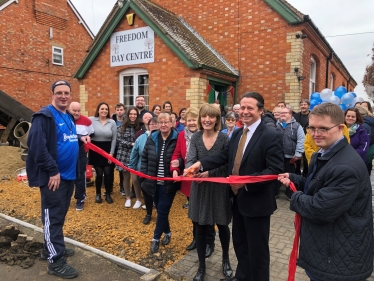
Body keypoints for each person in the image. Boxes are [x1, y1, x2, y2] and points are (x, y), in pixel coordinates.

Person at [187, 92, 284, 281]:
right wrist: (201, 164)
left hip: (256, 202)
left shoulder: (271, 135)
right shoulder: (239, 132)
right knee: (240, 243)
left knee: (257, 250)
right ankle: (241, 276)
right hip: (237, 199)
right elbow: (225, 156)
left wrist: (245, 181)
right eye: (242, 108)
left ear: (261, 111)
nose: (245, 112)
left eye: (250, 108)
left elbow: (275, 170)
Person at [278, 102, 373, 281]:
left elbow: (319, 208)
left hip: (337, 258)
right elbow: (320, 185)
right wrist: (295, 179)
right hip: (327, 247)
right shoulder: (323, 153)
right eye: (311, 128)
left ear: (340, 128)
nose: (315, 134)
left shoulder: (346, 166)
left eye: (323, 128)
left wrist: (295, 197)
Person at [26, 80, 90, 279]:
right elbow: (37, 147)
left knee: (59, 215)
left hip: (68, 176)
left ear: (70, 96)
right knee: (52, 218)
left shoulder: (68, 115)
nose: (63, 96)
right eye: (59, 92)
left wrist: (80, 140)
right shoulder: (44, 117)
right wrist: (53, 171)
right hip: (54, 178)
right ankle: (55, 261)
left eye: (66, 93)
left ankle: (51, 248)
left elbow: (66, 138)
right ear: (52, 94)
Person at [185, 104, 233, 281]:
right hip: (199, 187)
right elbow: (190, 158)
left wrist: (209, 173)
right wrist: (191, 172)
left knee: (222, 225)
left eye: (211, 117)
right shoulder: (196, 137)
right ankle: (201, 267)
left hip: (218, 187)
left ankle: (226, 260)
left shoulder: (224, 139)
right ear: (200, 119)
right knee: (199, 225)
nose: (207, 120)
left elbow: (227, 164)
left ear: (217, 120)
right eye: (204, 116)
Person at [170, 108, 216, 256]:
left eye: (194, 120)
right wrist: (175, 168)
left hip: (205, 178)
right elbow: (177, 154)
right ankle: (197, 238)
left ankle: (210, 241)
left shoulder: (206, 135)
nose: (191, 123)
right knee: (194, 212)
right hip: (190, 181)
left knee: (207, 212)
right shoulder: (182, 135)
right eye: (188, 120)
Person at [139, 113, 180, 254]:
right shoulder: (153, 137)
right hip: (153, 181)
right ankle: (167, 232)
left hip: (169, 183)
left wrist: (179, 165)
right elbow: (144, 157)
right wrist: (144, 176)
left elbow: (182, 157)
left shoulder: (177, 138)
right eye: (160, 122)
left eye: (166, 122)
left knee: (162, 209)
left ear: (171, 123)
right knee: (160, 209)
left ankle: (155, 238)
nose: (163, 124)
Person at [129, 117, 159, 221]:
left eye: (156, 124)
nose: (154, 126)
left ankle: (160, 214)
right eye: (152, 124)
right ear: (148, 125)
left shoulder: (163, 138)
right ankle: (149, 214)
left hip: (158, 171)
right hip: (144, 170)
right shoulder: (141, 138)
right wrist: (132, 168)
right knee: (147, 193)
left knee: (158, 193)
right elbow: (134, 154)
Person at [89, 102, 117, 204]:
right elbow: (81, 121)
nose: (104, 111)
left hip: (107, 150)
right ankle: (98, 194)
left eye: (106, 109)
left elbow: (114, 139)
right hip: (96, 150)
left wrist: (111, 153)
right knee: (99, 174)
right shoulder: (92, 120)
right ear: (98, 110)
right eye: (102, 109)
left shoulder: (112, 122)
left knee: (108, 173)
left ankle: (108, 193)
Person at [69, 102, 94, 211]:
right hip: (67, 152)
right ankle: (66, 198)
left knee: (80, 176)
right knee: (67, 175)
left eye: (78, 111)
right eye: (74, 110)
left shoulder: (87, 121)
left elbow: (91, 134)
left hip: (81, 152)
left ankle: (80, 199)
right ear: (69, 110)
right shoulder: (65, 120)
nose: (76, 113)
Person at [276, 107, 305, 199]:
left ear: (290, 114)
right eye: (281, 113)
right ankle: (275, 192)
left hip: (291, 157)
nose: (283, 114)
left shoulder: (297, 126)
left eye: (285, 113)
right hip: (278, 156)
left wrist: (298, 154)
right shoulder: (276, 125)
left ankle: (290, 194)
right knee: (277, 174)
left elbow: (301, 140)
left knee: (290, 176)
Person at [116, 106, 142, 208]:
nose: (133, 116)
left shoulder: (140, 126)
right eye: (131, 114)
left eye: (135, 114)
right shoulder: (122, 126)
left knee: (135, 179)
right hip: (124, 154)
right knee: (125, 178)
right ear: (128, 115)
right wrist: (130, 144)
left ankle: (139, 199)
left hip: (136, 155)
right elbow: (119, 139)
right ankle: (128, 198)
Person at [294, 99, 310, 177]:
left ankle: (306, 175)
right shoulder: (296, 116)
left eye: (305, 104)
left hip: (308, 140)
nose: (303, 106)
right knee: (297, 159)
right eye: (302, 105)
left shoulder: (311, 115)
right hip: (298, 141)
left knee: (307, 159)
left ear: (308, 106)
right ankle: (297, 175)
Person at [112, 103, 126, 195]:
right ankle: (110, 186)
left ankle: (122, 187)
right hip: (113, 147)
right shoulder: (111, 120)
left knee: (122, 168)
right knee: (110, 168)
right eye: (118, 110)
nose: (119, 111)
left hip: (122, 147)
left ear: (124, 111)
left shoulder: (126, 121)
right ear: (115, 111)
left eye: (121, 110)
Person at [356, 105, 374, 174]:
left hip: (364, 151)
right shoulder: (370, 120)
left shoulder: (363, 125)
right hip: (370, 148)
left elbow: (363, 142)